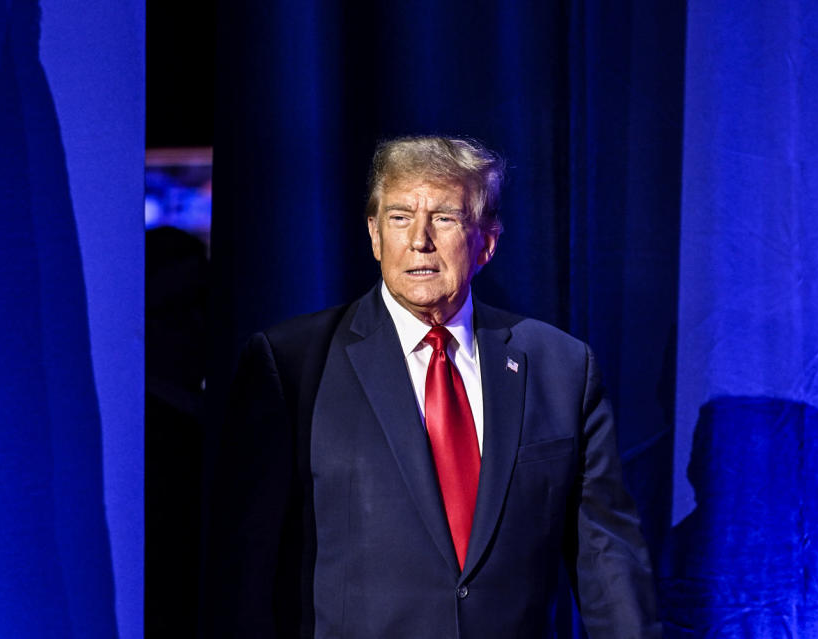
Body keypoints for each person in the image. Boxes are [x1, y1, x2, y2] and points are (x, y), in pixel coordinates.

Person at [207, 136, 660, 638]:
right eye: (400, 217)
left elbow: (606, 557)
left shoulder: (560, 366)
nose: (420, 239)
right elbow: (243, 568)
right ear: (375, 236)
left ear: (487, 240)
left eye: (444, 218)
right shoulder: (291, 363)